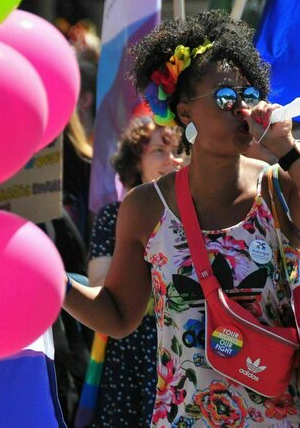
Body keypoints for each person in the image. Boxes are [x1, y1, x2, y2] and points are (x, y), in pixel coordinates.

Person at [63, 10, 300, 427]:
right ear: (185, 112)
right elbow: (118, 314)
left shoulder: (279, 187)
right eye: (225, 99)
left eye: (249, 96)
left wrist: (292, 152)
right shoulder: (145, 207)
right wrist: (55, 286)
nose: (242, 110)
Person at [86, 116, 183, 427]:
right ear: (135, 162)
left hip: (183, 351)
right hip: (129, 355)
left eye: (179, 150)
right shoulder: (113, 216)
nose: (172, 160)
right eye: (159, 151)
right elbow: (102, 288)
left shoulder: (203, 217)